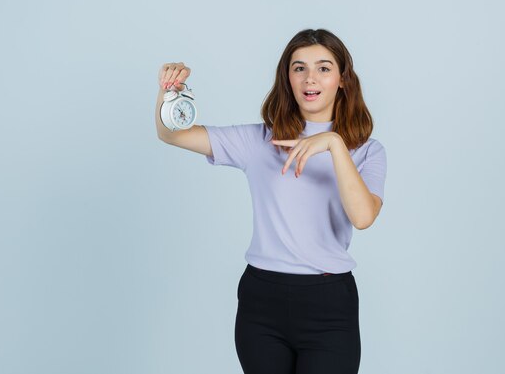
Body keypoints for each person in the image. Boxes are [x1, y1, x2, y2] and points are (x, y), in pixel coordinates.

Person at [155, 28, 387, 374]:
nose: (310, 78)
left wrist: (335, 145)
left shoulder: (367, 151)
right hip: (263, 302)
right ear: (287, 78)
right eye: (299, 68)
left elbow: (363, 216)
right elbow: (170, 134)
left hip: (328, 303)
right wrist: (169, 94)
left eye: (324, 68)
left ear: (342, 79)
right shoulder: (261, 140)